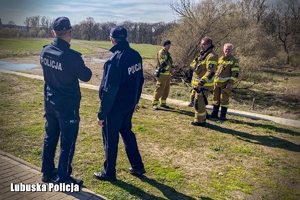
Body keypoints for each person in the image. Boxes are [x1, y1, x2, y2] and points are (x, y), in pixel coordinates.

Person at [40, 16, 92, 186]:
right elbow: (86, 76)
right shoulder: (71, 57)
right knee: (67, 142)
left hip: (50, 102)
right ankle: (63, 177)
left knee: (50, 137)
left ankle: (47, 172)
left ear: (53, 32)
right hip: (67, 106)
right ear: (70, 32)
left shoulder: (45, 51)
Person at [94, 26, 145, 181]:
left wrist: (102, 114)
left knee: (111, 140)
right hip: (128, 105)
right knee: (127, 133)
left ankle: (109, 172)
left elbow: (109, 91)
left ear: (111, 39)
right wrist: (135, 100)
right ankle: (137, 166)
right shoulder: (136, 55)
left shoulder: (114, 61)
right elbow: (139, 81)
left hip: (115, 108)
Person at [189, 37, 218, 127]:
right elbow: (192, 66)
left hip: (203, 85)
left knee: (199, 102)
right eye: (201, 44)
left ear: (209, 45)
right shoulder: (202, 55)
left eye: (204, 44)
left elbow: (210, 71)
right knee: (194, 100)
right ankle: (204, 115)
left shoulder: (211, 56)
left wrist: (201, 83)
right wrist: (197, 60)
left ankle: (200, 121)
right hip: (195, 84)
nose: (201, 46)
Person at [210, 43, 239, 120]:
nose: (227, 50)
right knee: (215, 98)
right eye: (226, 49)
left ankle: (223, 115)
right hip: (216, 83)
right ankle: (214, 113)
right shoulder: (220, 59)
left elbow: (235, 73)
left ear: (231, 50)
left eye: (229, 49)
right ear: (223, 49)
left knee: (224, 99)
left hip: (225, 84)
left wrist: (230, 83)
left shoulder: (234, 60)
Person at [152, 40, 176, 110]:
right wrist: (170, 69)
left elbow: (171, 62)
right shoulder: (161, 53)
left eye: (170, 46)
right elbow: (163, 63)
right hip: (162, 75)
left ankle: (163, 103)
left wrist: (173, 68)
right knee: (159, 89)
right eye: (168, 45)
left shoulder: (168, 54)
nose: (169, 47)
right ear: (165, 45)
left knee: (166, 90)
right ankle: (154, 104)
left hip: (168, 75)